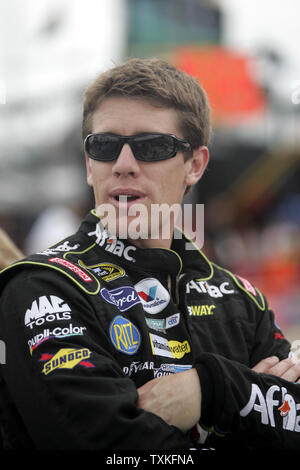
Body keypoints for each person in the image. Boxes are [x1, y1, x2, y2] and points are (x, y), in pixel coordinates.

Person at [0, 57, 300, 451]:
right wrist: (247, 402)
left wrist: (211, 390)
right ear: (90, 165)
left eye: (151, 147)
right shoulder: (43, 288)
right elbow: (113, 452)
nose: (123, 165)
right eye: (104, 147)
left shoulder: (240, 301)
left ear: (195, 165)